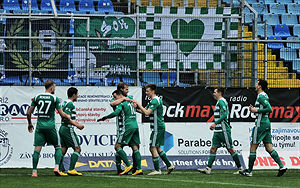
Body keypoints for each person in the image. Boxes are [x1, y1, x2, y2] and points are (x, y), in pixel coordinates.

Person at [27, 80, 84, 177]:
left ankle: (34, 172)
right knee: (61, 147)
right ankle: (60, 168)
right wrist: (74, 122)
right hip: (52, 126)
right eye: (54, 87)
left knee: (37, 149)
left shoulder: (37, 97)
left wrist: (29, 124)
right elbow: (62, 115)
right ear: (51, 87)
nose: (55, 88)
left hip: (40, 126)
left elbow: (28, 113)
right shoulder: (54, 98)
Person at [240, 79, 287, 177]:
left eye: (257, 84)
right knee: (269, 147)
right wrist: (255, 110)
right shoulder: (264, 95)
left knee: (253, 147)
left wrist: (255, 110)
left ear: (260, 86)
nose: (255, 85)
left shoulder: (261, 96)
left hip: (260, 124)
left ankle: (249, 171)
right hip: (266, 123)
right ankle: (281, 166)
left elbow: (269, 109)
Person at [198, 87, 243, 175]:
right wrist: (228, 122)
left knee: (230, 149)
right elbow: (228, 114)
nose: (213, 94)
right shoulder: (221, 102)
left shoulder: (222, 101)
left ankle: (240, 168)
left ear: (219, 93)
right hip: (218, 131)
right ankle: (208, 168)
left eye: (215, 92)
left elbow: (225, 114)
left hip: (223, 130)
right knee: (213, 148)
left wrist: (215, 123)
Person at [132, 83, 175, 175]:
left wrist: (138, 104)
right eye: (145, 91)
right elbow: (144, 111)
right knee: (158, 147)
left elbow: (147, 113)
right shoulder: (152, 101)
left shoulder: (155, 101)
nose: (146, 93)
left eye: (147, 91)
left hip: (157, 127)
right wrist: (135, 109)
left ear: (153, 91)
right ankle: (169, 165)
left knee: (152, 148)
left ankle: (157, 170)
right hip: (158, 127)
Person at [98, 89, 142, 175]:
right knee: (135, 147)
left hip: (127, 126)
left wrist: (104, 117)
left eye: (115, 97)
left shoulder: (121, 103)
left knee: (117, 146)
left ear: (120, 95)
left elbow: (115, 113)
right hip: (135, 126)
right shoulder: (130, 101)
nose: (114, 99)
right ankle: (139, 169)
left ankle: (128, 165)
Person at [109, 82, 141, 174]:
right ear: (121, 90)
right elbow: (112, 103)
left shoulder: (129, 98)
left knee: (133, 147)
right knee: (120, 147)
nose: (128, 91)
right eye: (126, 89)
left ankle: (136, 168)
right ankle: (119, 168)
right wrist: (125, 99)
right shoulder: (116, 98)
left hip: (127, 126)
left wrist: (136, 105)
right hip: (121, 127)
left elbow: (135, 105)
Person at [59, 87, 84, 176]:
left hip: (62, 127)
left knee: (63, 149)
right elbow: (67, 118)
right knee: (77, 149)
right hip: (67, 128)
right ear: (74, 95)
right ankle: (71, 169)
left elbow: (67, 117)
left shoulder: (64, 102)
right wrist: (77, 125)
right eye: (77, 94)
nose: (78, 96)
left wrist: (74, 122)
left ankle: (59, 169)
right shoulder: (70, 104)